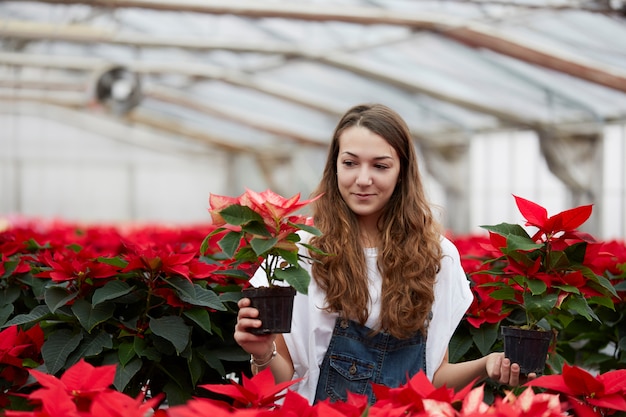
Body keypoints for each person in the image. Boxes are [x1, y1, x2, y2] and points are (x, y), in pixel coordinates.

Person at [234, 103, 532, 405]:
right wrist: (262, 352)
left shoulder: (437, 257)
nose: (363, 179)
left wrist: (487, 365)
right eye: (350, 163)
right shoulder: (299, 250)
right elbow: (283, 381)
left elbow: (432, 379)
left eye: (380, 166)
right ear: (334, 166)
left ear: (402, 171)